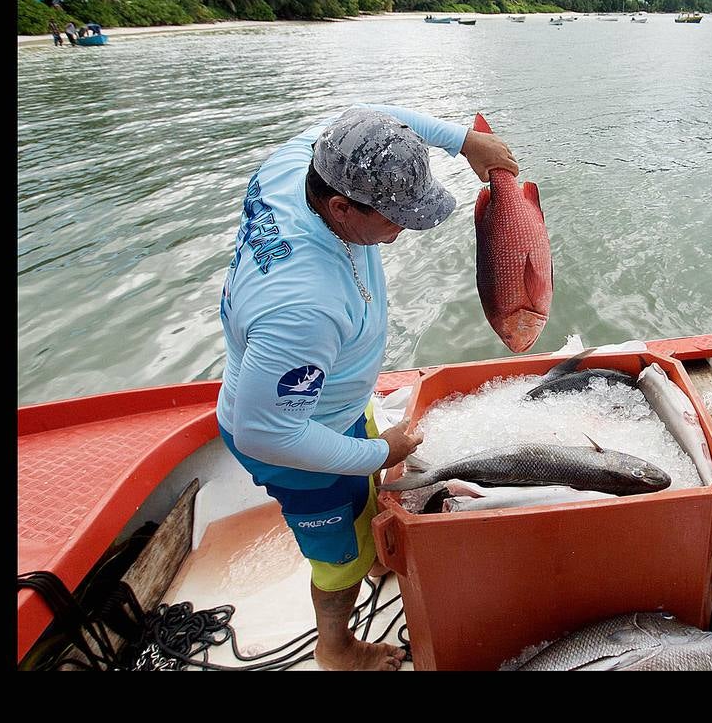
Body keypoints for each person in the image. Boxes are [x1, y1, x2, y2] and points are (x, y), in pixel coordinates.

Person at [216, 104, 517, 670]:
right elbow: (265, 433)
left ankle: (365, 537)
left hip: (323, 403)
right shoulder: (303, 306)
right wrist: (381, 452)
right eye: (394, 216)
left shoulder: (300, 161)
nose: (402, 228)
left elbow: (369, 116)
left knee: (365, 498)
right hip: (297, 445)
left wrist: (462, 142)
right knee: (338, 562)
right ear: (341, 206)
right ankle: (337, 649)